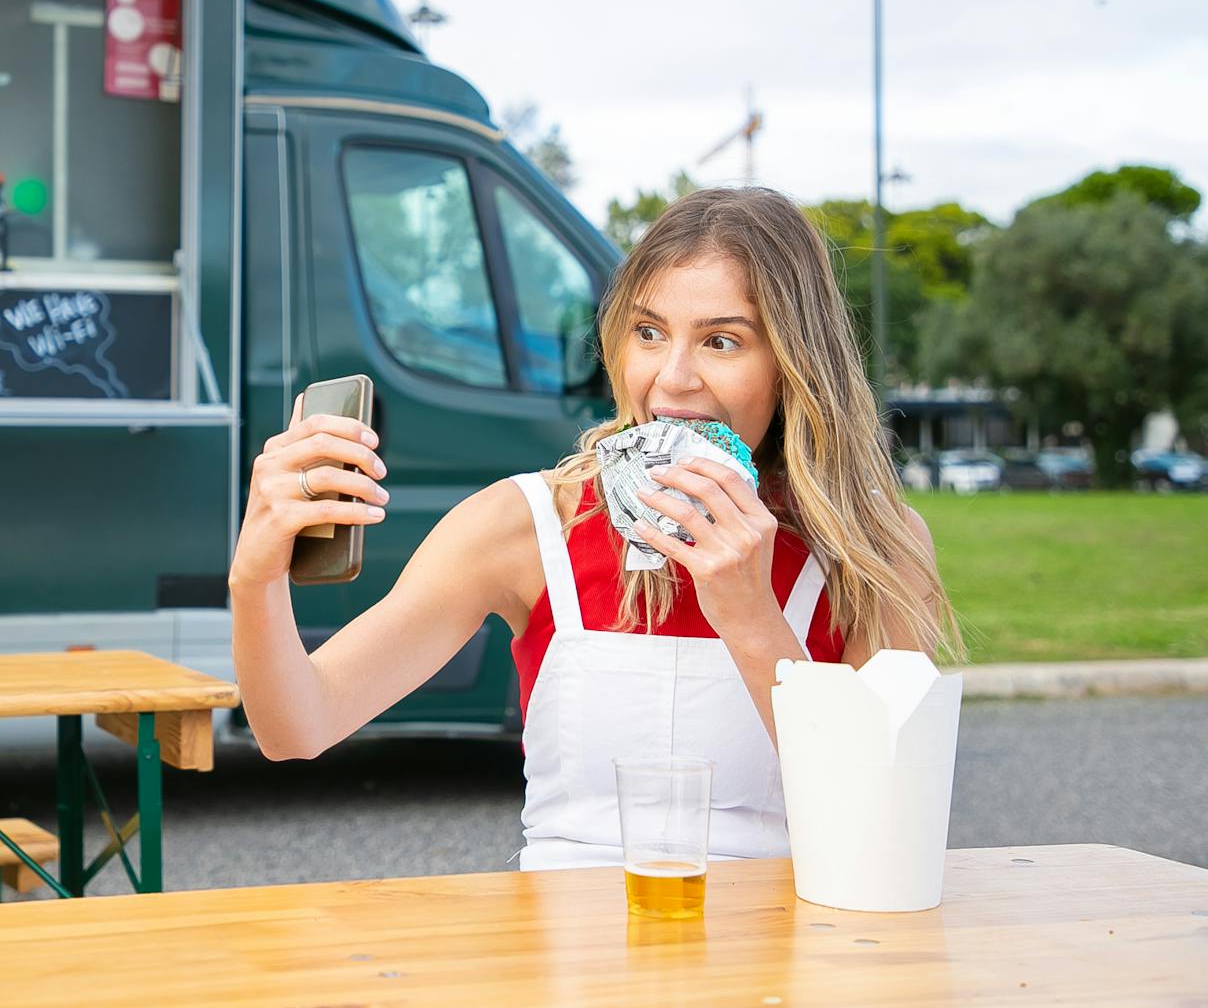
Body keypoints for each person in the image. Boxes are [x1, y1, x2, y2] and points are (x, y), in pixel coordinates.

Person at [229, 187, 960, 869]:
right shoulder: (522, 523)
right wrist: (254, 578)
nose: (672, 378)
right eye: (649, 331)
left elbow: (882, 824)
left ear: (796, 366)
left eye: (721, 341)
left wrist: (748, 612)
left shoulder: (878, 546)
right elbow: (298, 725)